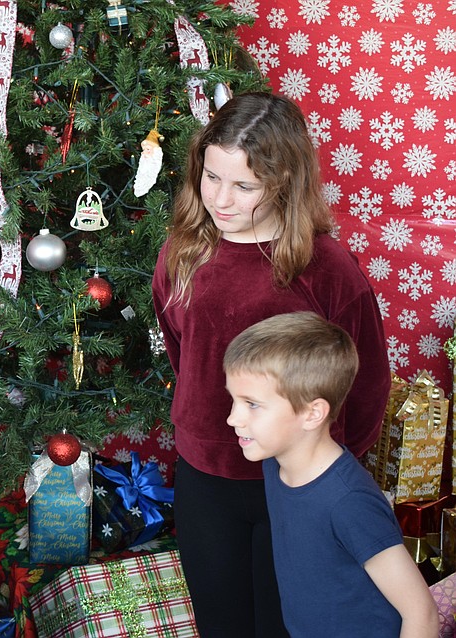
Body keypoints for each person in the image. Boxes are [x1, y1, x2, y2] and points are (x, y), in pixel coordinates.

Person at [151, 92, 391, 637]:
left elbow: (368, 380)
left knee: (285, 624)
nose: (221, 199)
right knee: (222, 623)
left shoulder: (325, 267)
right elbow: (182, 349)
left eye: (244, 186)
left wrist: (321, 471)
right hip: (205, 476)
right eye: (211, 177)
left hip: (295, 481)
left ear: (284, 182)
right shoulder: (182, 252)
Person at [223, 312, 438, 637]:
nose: (232, 418)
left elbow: (421, 613)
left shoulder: (348, 502)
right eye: (234, 400)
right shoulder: (275, 465)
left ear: (312, 413)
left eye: (251, 404)